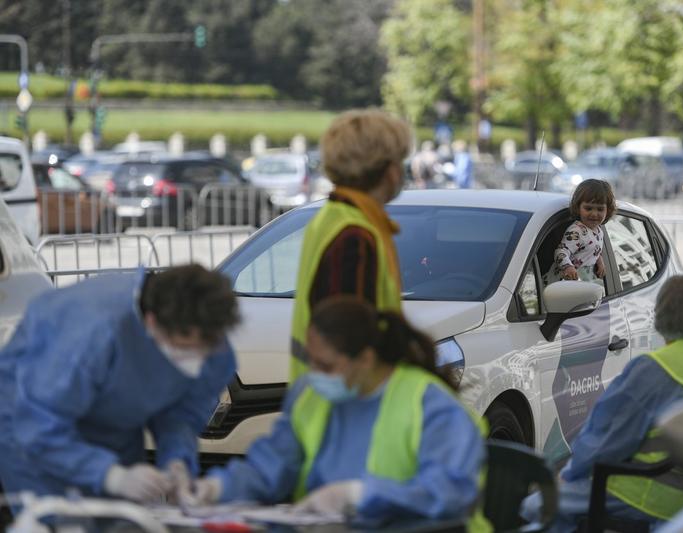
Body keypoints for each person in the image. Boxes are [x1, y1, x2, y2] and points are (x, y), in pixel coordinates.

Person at [182, 297, 490, 530]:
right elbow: (271, 466)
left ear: (366, 359)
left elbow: (451, 493)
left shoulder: (429, 404)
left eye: (326, 365)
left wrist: (360, 495)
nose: (313, 374)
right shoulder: (310, 396)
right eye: (310, 360)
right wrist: (215, 487)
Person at [520, 274, 683, 531]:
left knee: (535, 506)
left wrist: (569, 474)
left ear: (660, 317)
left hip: (648, 493)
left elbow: (606, 438)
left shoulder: (655, 368)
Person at [0, 264, 240, 504]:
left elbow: (182, 414)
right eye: (185, 347)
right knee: (53, 520)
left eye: (206, 347)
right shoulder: (91, 331)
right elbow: (36, 425)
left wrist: (177, 461)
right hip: (30, 428)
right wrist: (111, 476)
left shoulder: (213, 343)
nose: (198, 358)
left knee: (126, 520)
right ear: (152, 322)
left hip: (115, 432)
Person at [290, 109, 410, 381]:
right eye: (399, 161)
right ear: (388, 170)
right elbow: (348, 345)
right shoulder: (355, 234)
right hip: (351, 413)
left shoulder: (333, 218)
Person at [545, 179, 615, 286]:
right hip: (563, 283)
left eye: (600, 209)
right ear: (578, 208)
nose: (594, 214)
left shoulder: (599, 231)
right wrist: (568, 267)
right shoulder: (577, 231)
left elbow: (592, 249)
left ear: (608, 211)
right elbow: (561, 251)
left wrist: (599, 261)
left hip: (583, 281)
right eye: (588, 208)